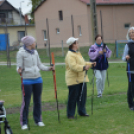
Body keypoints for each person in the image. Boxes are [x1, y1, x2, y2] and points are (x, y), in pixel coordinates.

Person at [16, 36, 54, 130]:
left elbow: (39, 65)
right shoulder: (21, 53)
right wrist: (19, 70)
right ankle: (24, 122)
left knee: (37, 101)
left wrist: (48, 68)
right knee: (26, 102)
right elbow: (18, 66)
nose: (35, 43)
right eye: (34, 42)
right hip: (26, 80)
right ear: (29, 44)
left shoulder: (35, 52)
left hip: (38, 79)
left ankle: (38, 120)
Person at [65, 37, 96, 119]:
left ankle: (82, 112)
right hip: (73, 79)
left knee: (82, 96)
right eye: (77, 43)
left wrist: (91, 64)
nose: (78, 44)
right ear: (73, 44)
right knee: (73, 97)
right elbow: (73, 66)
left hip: (82, 78)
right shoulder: (70, 55)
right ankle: (70, 114)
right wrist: (83, 68)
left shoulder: (77, 53)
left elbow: (83, 62)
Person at [122, 26, 134, 110]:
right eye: (130, 33)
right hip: (131, 68)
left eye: (133, 32)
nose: (131, 34)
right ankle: (131, 104)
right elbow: (123, 58)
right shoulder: (128, 45)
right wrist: (126, 57)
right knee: (131, 86)